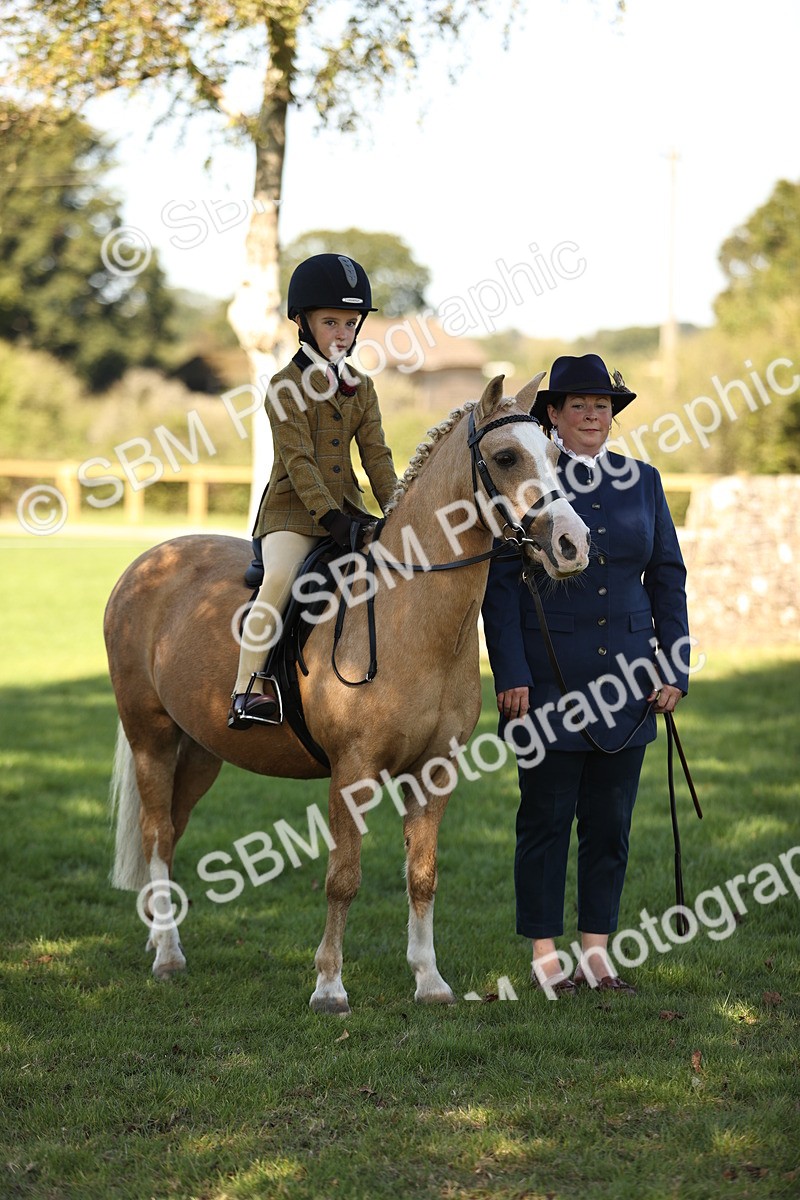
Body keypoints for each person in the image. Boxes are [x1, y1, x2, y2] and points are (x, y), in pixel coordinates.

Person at [481, 353, 690, 995]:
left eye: (603, 406)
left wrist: (673, 663)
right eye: (579, 405)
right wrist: (510, 672)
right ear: (553, 415)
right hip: (546, 684)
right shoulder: (525, 484)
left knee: (611, 824)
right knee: (545, 820)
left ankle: (597, 951)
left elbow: (666, 576)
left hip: (630, 679)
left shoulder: (644, 482)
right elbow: (501, 585)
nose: (593, 415)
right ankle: (546, 953)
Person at [228, 253, 398, 729]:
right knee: (280, 580)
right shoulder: (284, 387)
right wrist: (332, 519)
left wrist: (399, 509)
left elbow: (377, 456)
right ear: (302, 323)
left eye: (350, 322)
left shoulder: (361, 388)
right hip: (293, 517)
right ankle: (246, 689)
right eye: (330, 322)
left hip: (350, 513)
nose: (342, 333)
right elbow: (299, 463)